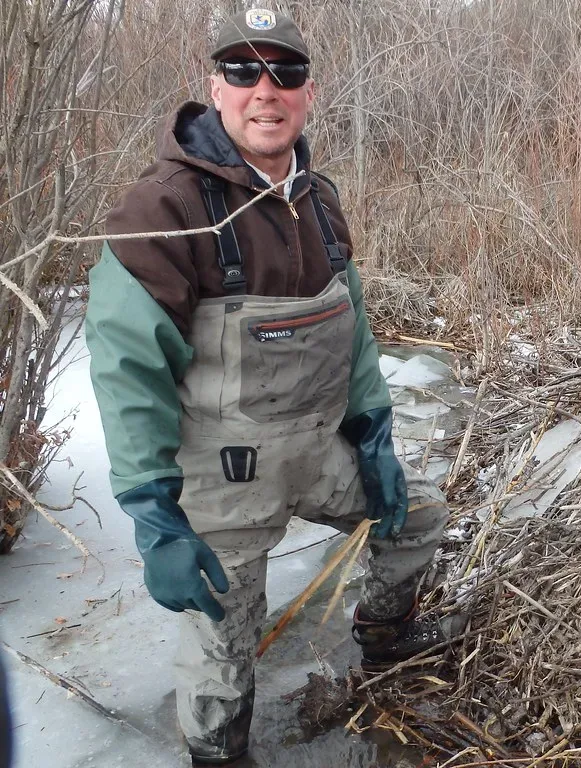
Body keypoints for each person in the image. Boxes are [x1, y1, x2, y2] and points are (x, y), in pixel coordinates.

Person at [85, 9, 461, 766]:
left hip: (315, 450)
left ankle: (384, 637)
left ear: (309, 92)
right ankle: (219, 751)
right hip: (220, 480)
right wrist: (154, 512)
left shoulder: (318, 201)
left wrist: (375, 432)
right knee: (225, 657)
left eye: (285, 73)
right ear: (213, 89)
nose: (266, 91)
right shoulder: (164, 210)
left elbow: (350, 328)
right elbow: (126, 366)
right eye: (243, 71)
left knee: (418, 515)